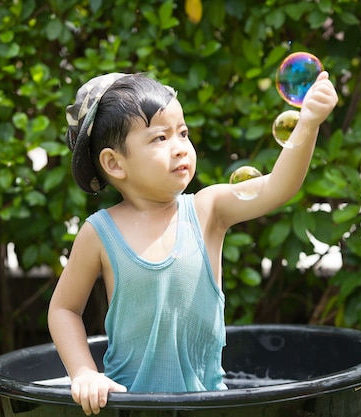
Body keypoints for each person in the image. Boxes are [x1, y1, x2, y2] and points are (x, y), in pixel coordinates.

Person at [48, 71, 338, 415]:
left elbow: (279, 187)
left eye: (183, 133)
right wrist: (84, 373)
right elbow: (64, 309)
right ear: (114, 162)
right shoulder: (100, 232)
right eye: (160, 138)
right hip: (129, 405)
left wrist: (308, 124)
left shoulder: (206, 210)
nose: (180, 147)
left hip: (208, 405)